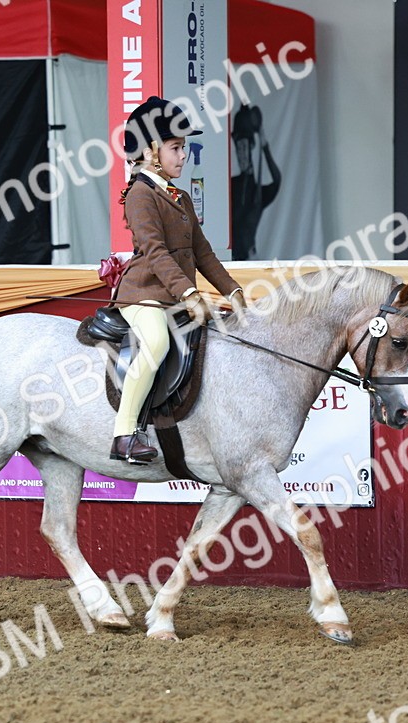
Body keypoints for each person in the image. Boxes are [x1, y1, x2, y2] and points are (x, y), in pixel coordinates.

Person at [109, 96, 247, 464]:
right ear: (152, 149)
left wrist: (232, 290)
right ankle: (124, 433)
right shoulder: (140, 195)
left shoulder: (181, 196)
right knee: (155, 343)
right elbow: (155, 253)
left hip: (177, 295)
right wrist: (187, 291)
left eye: (183, 147)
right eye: (175, 147)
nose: (183, 155)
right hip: (145, 294)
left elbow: (203, 253)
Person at [231, 105, 282, 261]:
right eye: (239, 147)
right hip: (230, 258)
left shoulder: (258, 193)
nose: (242, 153)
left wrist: (264, 144)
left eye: (245, 146)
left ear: (252, 146)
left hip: (250, 259)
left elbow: (277, 179)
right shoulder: (231, 186)